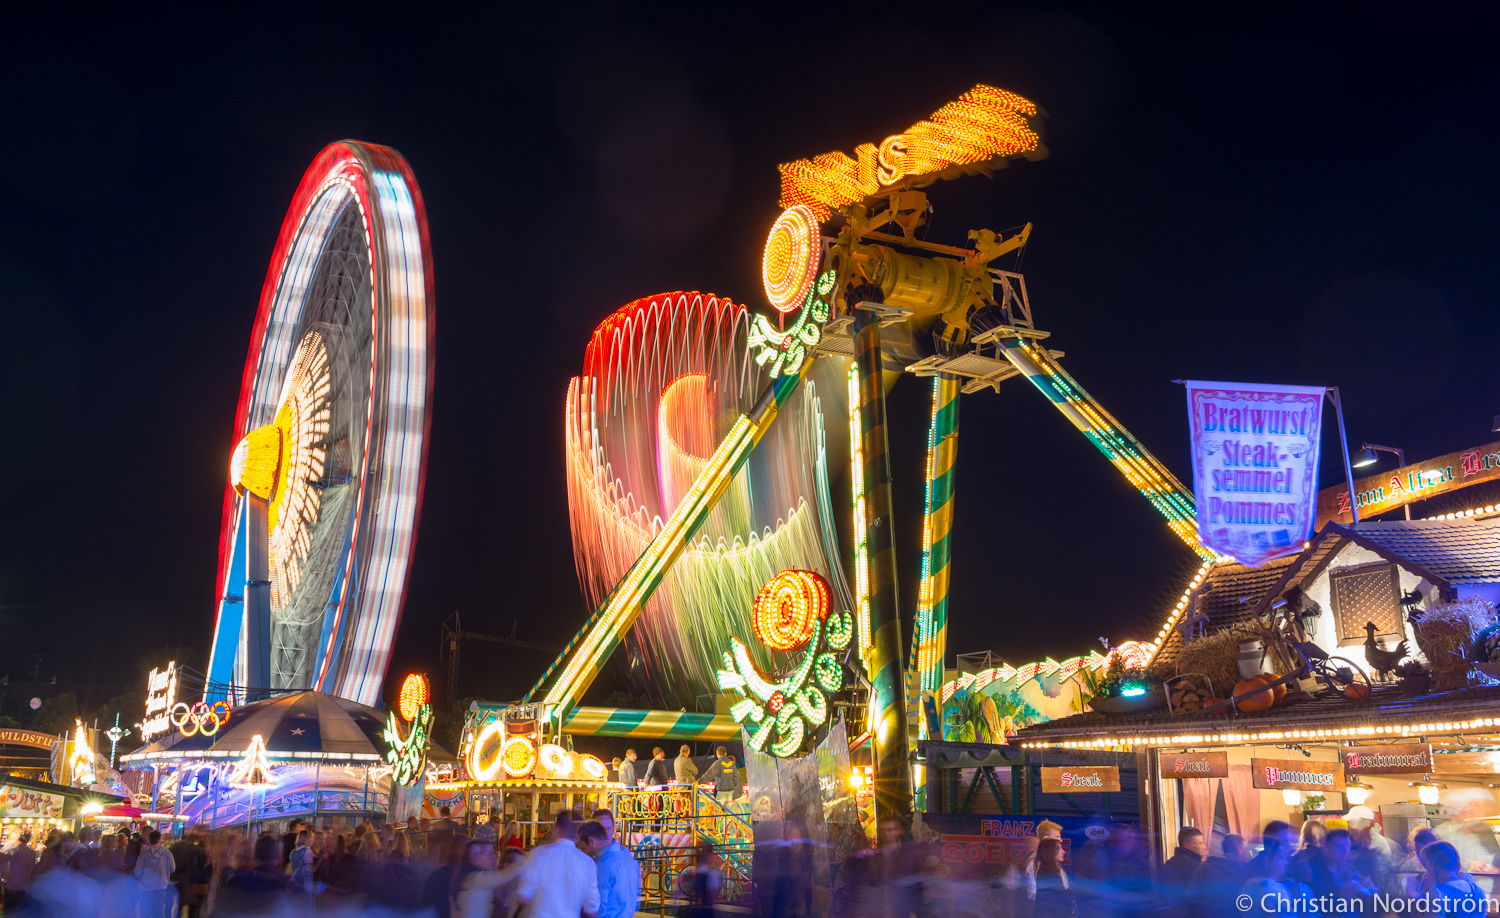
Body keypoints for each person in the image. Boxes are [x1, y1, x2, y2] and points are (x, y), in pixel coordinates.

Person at [518, 813, 600, 918]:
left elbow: (523, 897)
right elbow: (592, 909)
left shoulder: (538, 854)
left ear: (557, 829)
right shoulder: (588, 863)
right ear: (578, 835)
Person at [579, 812, 641, 918]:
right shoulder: (628, 858)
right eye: (600, 829)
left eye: (605, 829)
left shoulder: (602, 864)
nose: (603, 834)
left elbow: (597, 909)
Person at [1305, 828, 1376, 908]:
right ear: (1324, 844)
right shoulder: (1309, 870)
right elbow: (1311, 908)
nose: (1346, 851)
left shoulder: (1349, 869)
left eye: (1348, 846)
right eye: (1339, 846)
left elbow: (1362, 905)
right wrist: (1341, 898)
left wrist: (1368, 891)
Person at [1420, 840, 1487, 914]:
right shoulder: (1480, 892)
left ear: (1436, 865)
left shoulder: (1438, 893)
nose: (1425, 868)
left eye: (1426, 863)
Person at [1161, 826, 1205, 914]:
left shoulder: (1169, 863)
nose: (1203, 847)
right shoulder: (1196, 866)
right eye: (1200, 843)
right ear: (1186, 844)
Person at [133, 829, 176, 918]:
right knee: (158, 912)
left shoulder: (144, 854)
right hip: (161, 886)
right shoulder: (167, 853)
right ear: (159, 839)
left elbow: (138, 872)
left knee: (145, 912)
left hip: (145, 887)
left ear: (149, 840)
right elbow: (172, 868)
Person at [170, 831, 210, 918]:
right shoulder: (200, 852)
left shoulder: (175, 848)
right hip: (193, 882)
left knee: (177, 906)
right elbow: (207, 869)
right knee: (194, 909)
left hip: (179, 880)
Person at [677, 842, 723, 918]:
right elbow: (711, 896)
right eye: (712, 854)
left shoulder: (692, 872)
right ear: (708, 856)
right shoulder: (711, 874)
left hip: (695, 908)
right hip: (705, 910)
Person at [1031, 836, 1073, 918]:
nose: (1063, 852)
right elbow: (1061, 898)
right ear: (1050, 851)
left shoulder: (1051, 870)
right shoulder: (1047, 873)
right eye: (1059, 849)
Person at [289, 828, 318, 897]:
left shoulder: (293, 852)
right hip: (305, 884)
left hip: (295, 882)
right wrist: (320, 860)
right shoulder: (308, 851)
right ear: (307, 839)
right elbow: (311, 870)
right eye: (312, 837)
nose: (313, 840)